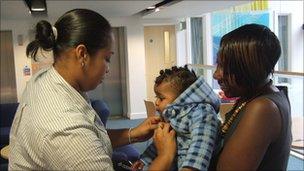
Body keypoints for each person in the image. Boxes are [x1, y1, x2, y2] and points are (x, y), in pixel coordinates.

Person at [9, 9, 176, 170]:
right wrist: (165, 156)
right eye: (107, 58)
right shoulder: (65, 129)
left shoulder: (45, 78)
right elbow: (79, 139)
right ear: (82, 54)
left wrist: (133, 133)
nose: (108, 68)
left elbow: (91, 138)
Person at [210, 24, 291, 170]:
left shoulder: (263, 108)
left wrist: (167, 153)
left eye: (224, 67)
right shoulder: (258, 96)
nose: (216, 75)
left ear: (249, 69)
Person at [132, 66, 221, 171]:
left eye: (161, 98)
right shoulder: (171, 116)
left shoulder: (203, 113)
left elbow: (200, 149)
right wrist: (144, 160)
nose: (156, 102)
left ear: (181, 98)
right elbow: (160, 144)